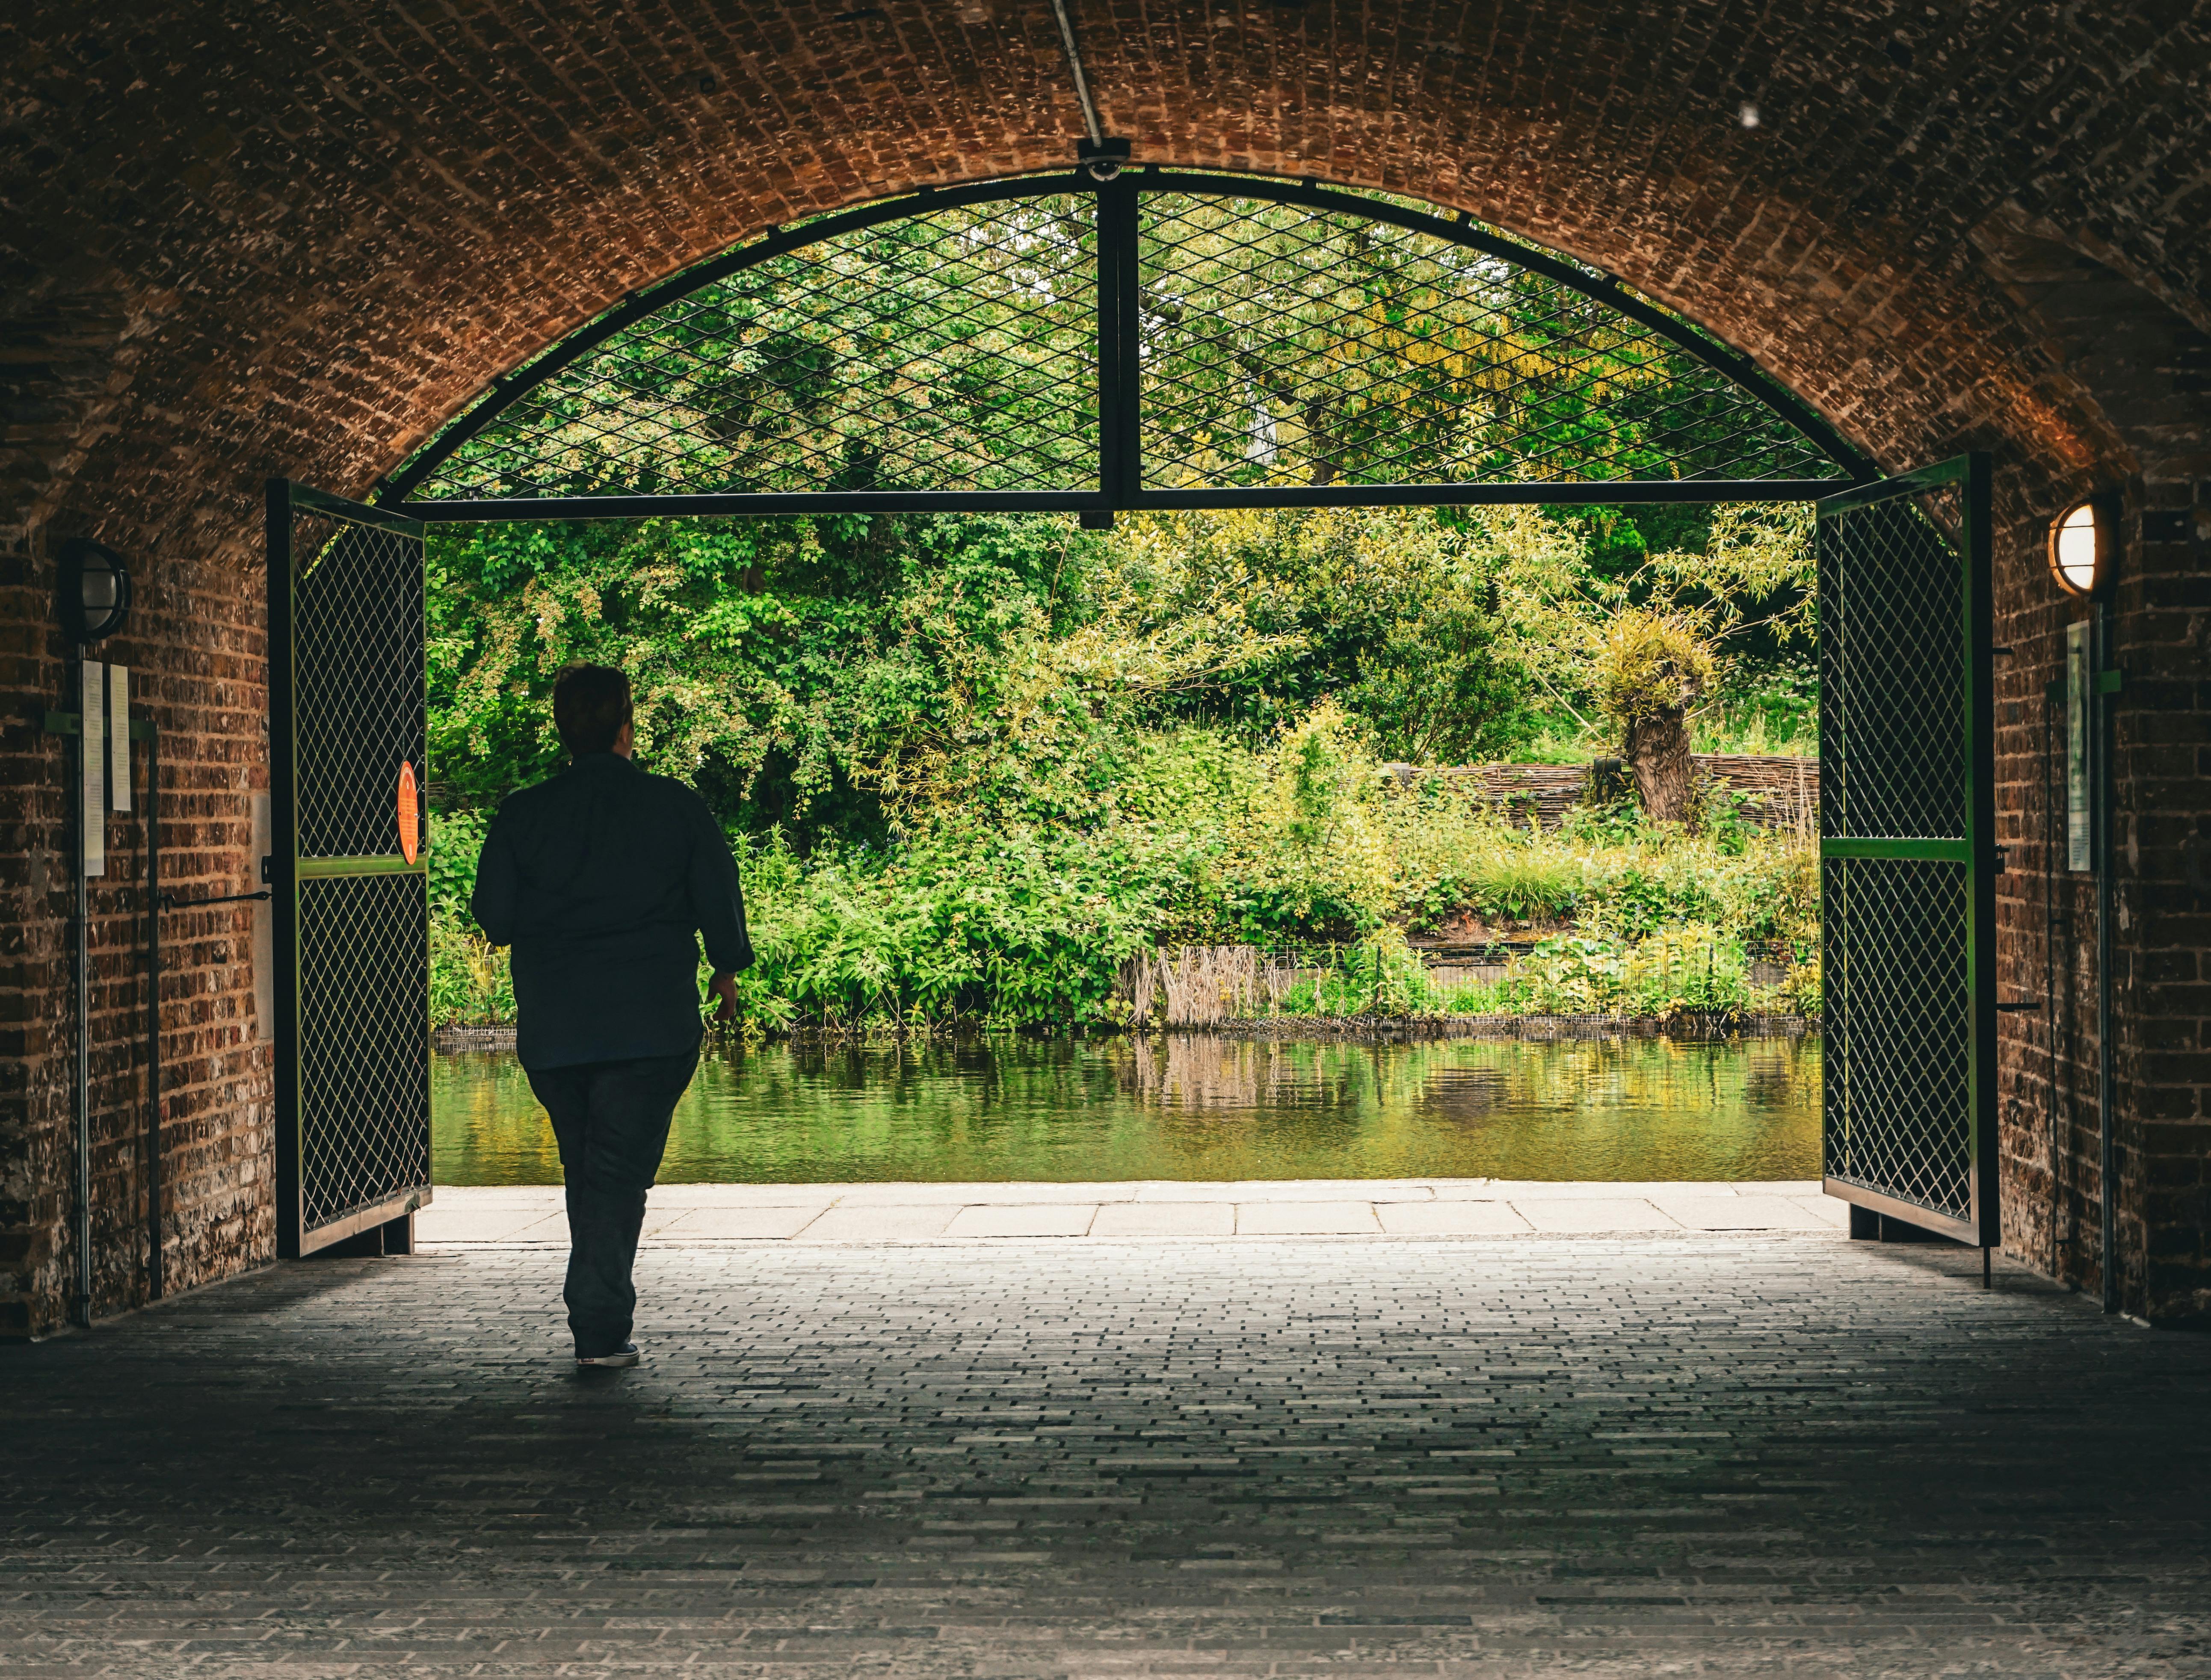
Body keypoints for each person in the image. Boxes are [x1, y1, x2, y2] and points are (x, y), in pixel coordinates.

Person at [471, 663, 751, 1369]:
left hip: (557, 1024)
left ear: (563, 730)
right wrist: (725, 969)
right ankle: (597, 1322)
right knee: (616, 1170)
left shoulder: (523, 813)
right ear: (628, 726)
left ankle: (597, 1314)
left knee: (589, 1164)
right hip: (650, 1022)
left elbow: (496, 919)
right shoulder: (675, 807)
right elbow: (718, 893)